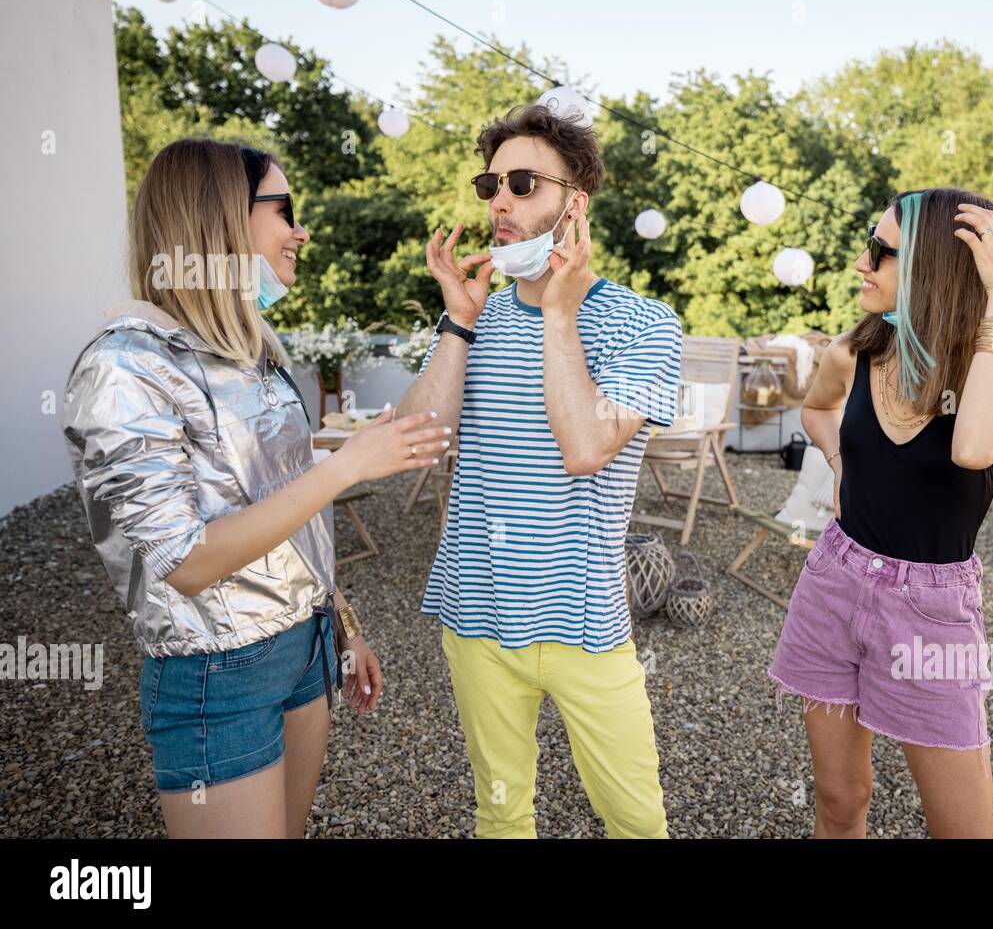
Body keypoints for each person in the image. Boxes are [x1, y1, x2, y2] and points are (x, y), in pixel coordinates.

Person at [62, 138, 451, 837]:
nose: (301, 230)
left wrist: (342, 621)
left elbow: (287, 505)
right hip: (219, 674)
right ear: (218, 220)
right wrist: (346, 465)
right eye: (285, 209)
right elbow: (185, 561)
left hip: (304, 647)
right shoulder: (125, 365)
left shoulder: (255, 351)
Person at [397, 104, 683, 838]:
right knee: (501, 815)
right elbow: (416, 441)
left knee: (637, 822)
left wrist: (559, 315)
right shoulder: (476, 316)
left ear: (573, 204)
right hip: (477, 617)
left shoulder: (646, 324)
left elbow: (586, 447)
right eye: (490, 183)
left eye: (522, 183)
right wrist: (459, 320)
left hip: (586, 622)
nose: (498, 201)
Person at [768, 187, 993, 838]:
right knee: (840, 802)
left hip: (931, 614)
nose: (861, 264)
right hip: (832, 583)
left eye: (881, 251)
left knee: (965, 830)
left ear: (933, 272)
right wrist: (843, 463)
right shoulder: (857, 350)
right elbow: (816, 409)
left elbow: (976, 445)